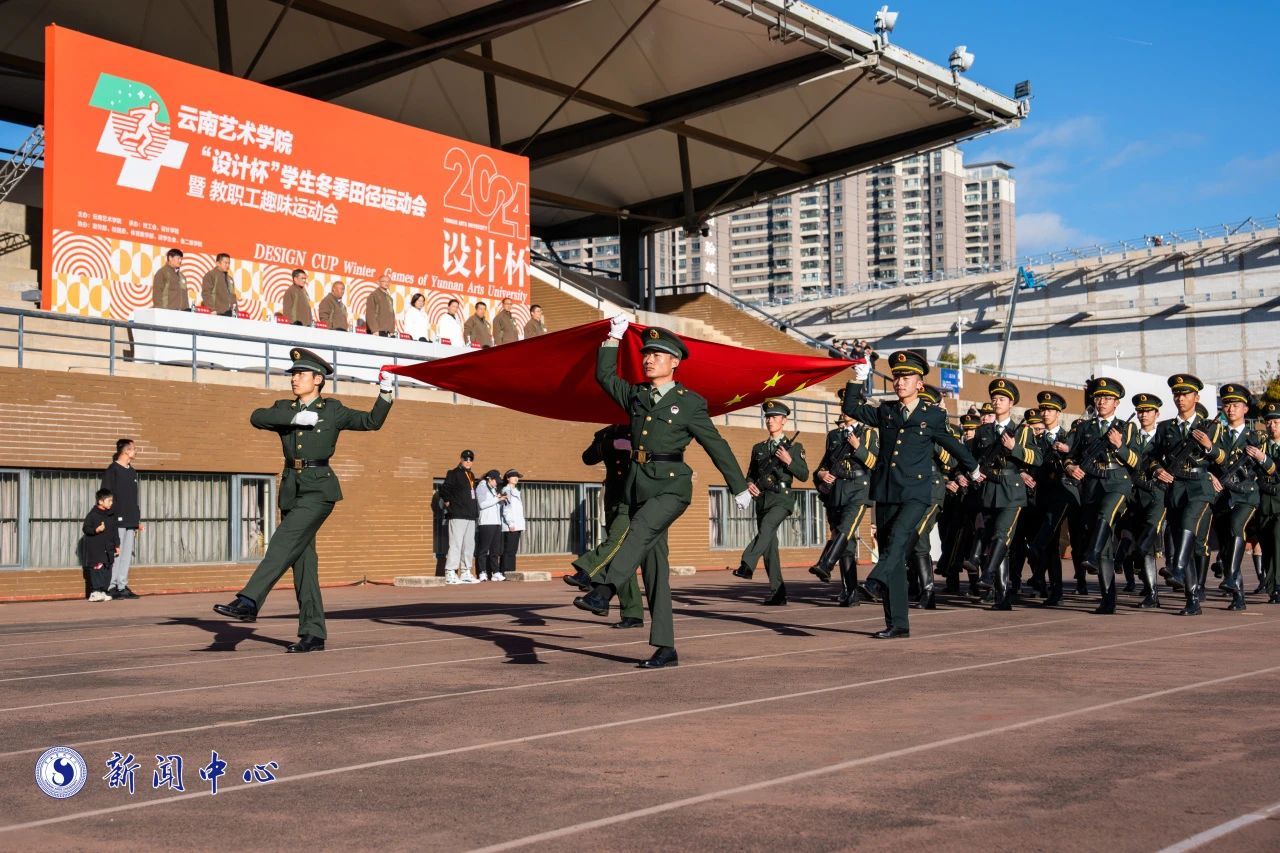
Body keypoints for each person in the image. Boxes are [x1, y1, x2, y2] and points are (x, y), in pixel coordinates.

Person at [573, 320, 751, 668]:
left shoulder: (689, 403)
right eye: (647, 354)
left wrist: (738, 486)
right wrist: (613, 337)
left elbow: (716, 444)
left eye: (657, 355)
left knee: (637, 530)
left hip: (671, 487)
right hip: (637, 486)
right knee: (655, 571)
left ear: (675, 362)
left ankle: (603, 590)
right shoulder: (637, 396)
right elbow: (605, 377)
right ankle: (666, 647)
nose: (649, 359)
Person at [212, 348, 394, 652]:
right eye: (293, 374)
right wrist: (296, 417)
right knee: (304, 564)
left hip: (318, 489)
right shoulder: (285, 408)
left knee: (283, 540)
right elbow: (257, 417)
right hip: (291, 489)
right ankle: (313, 633)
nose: (294, 379)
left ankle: (249, 600)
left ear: (318, 379)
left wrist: (385, 391)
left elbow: (371, 421)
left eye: (300, 374)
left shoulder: (332, 410)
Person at [842, 349, 977, 638]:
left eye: (906, 377)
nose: (900, 381)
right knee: (892, 556)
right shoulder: (886, 411)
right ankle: (898, 623)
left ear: (920, 383)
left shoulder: (933, 415)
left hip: (916, 492)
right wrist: (858, 378)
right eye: (897, 377)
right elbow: (851, 407)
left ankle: (874, 582)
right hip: (887, 491)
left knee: (898, 540)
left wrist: (974, 468)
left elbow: (953, 445)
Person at [1147, 374, 1229, 616]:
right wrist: (1157, 470)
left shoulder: (1211, 426)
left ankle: (1178, 567)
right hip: (1175, 487)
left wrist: (1209, 446)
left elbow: (1224, 459)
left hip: (1200, 487)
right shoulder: (1165, 428)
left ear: (1196, 397)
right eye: (1177, 394)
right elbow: (1150, 457)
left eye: (1185, 394)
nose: (1180, 398)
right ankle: (1192, 598)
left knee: (1188, 523)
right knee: (1184, 538)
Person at [1064, 377, 1141, 615]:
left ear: (1116, 403)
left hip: (1118, 482)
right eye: (1098, 397)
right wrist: (1070, 467)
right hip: (1092, 484)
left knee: (1105, 513)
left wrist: (1119, 446)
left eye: (1107, 398)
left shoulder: (1127, 428)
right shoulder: (1084, 427)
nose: (1102, 402)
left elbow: (1137, 462)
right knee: (1105, 542)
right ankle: (1108, 599)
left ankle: (1092, 553)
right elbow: (1071, 456)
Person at [964, 379, 1041, 611]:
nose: (997, 402)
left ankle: (988, 575)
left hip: (1012, 490)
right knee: (996, 542)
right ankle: (1002, 596)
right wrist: (974, 473)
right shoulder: (983, 431)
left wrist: (1014, 448)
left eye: (1002, 399)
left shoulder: (1023, 431)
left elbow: (1037, 458)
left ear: (1011, 403)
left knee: (1002, 535)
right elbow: (971, 458)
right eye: (994, 398)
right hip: (989, 489)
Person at [563, 425, 647, 629]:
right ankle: (632, 612)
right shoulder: (605, 434)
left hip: (633, 499)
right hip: (612, 498)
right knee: (622, 556)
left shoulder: (642, 428)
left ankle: (587, 571)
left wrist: (633, 447)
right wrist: (610, 444)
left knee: (616, 543)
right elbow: (588, 458)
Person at [731, 400, 808, 606]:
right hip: (762, 499)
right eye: (767, 417)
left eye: (774, 417)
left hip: (782, 498)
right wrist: (749, 485)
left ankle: (747, 564)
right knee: (769, 548)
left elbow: (803, 475)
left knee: (766, 528)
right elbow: (750, 475)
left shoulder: (795, 447)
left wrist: (789, 460)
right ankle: (778, 593)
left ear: (784, 420)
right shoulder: (759, 448)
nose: (770, 421)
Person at [1209, 384, 1275, 611]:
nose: (1230, 409)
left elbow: (1270, 470)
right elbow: (1206, 463)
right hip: (1222, 497)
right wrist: (1210, 475)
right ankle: (1238, 595)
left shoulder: (1256, 437)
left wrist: (1261, 457)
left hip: (1247, 496)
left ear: (1245, 409)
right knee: (1227, 545)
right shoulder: (1217, 435)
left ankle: (1230, 577)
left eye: (1235, 405)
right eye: (1227, 405)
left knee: (1236, 527)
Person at [811, 398, 878, 606]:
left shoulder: (869, 433)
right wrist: (821, 474)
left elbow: (875, 463)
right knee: (847, 544)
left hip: (859, 488)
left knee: (845, 527)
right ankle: (850, 592)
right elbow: (824, 464)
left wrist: (858, 447)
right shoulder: (834, 435)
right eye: (843, 406)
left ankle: (826, 563)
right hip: (837, 490)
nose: (845, 410)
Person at [101, 438, 144, 599]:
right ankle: (111, 586)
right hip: (116, 520)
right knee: (116, 554)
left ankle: (122, 585)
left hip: (130, 520)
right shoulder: (112, 470)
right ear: (126, 450)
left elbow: (133, 498)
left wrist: (136, 521)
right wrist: (109, 518)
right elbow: (106, 495)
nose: (136, 451)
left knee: (126, 555)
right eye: (134, 448)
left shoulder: (132, 472)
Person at [441, 449, 480, 584]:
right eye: (466, 459)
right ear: (461, 459)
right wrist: (449, 503)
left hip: (470, 515)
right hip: (458, 514)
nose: (468, 461)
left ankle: (465, 572)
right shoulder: (453, 473)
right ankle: (450, 572)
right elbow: (444, 490)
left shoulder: (471, 475)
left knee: (469, 545)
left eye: (470, 460)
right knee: (456, 544)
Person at [1256, 403, 1280, 604]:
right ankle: (1272, 587)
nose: (1272, 426)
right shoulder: (1260, 447)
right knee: (1267, 546)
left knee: (1279, 541)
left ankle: (1278, 586)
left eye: (1276, 422)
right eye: (1269, 422)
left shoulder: (1263, 452)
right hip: (1264, 502)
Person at [82, 488, 119, 602]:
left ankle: (103, 591)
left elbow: (115, 531)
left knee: (107, 570)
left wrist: (117, 545)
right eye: (109, 501)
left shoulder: (111, 515)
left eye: (112, 500)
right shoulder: (92, 515)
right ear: (100, 501)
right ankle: (95, 592)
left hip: (109, 549)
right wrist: (96, 530)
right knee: (97, 569)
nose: (111, 503)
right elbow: (86, 529)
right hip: (96, 549)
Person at [475, 469, 505, 582]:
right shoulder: (481, 487)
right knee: (483, 549)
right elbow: (482, 504)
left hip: (496, 522)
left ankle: (495, 572)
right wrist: (497, 499)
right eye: (496, 481)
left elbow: (494, 504)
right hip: (486, 522)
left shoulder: (493, 489)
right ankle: (482, 572)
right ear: (490, 479)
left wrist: (500, 500)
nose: (497, 484)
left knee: (495, 550)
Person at [498, 470, 523, 581]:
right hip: (510, 525)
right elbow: (506, 509)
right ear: (508, 478)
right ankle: (506, 572)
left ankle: (510, 572)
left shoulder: (515, 491)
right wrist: (511, 523)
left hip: (517, 525)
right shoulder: (506, 490)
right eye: (513, 476)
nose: (516, 478)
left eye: (517, 476)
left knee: (512, 550)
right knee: (509, 550)